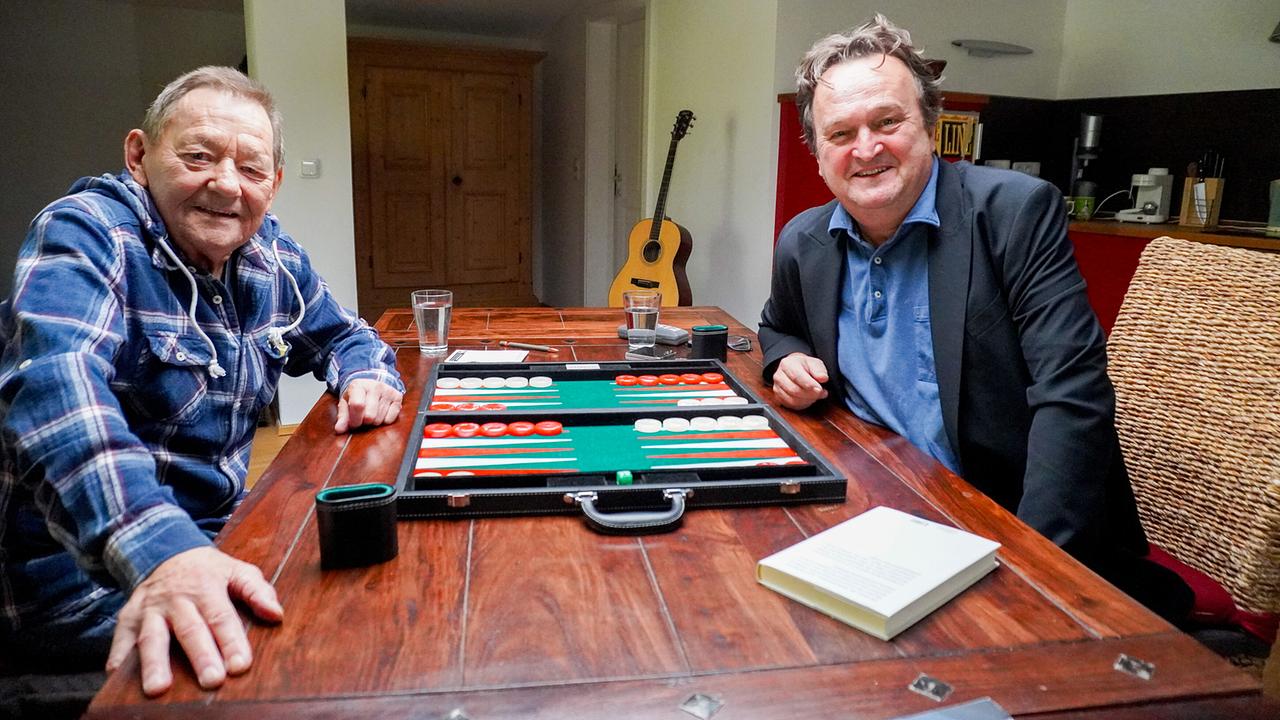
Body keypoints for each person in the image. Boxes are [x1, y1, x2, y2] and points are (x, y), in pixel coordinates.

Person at [759, 16, 1189, 619]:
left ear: (930, 126)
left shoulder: (1014, 213)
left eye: (888, 122)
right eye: (841, 132)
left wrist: (1033, 564)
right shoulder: (803, 240)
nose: (866, 149)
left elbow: (1071, 394)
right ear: (818, 153)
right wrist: (787, 358)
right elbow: (777, 326)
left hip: (1005, 524)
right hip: (873, 505)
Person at [0, 67, 405, 698]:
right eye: (198, 157)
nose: (225, 185)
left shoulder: (273, 256)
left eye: (250, 169)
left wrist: (365, 376)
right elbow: (56, 392)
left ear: (273, 184)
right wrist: (164, 553)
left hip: (222, 536)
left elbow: (348, 336)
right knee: (334, 653)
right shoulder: (87, 231)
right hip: (82, 587)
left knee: (381, 586)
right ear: (140, 155)